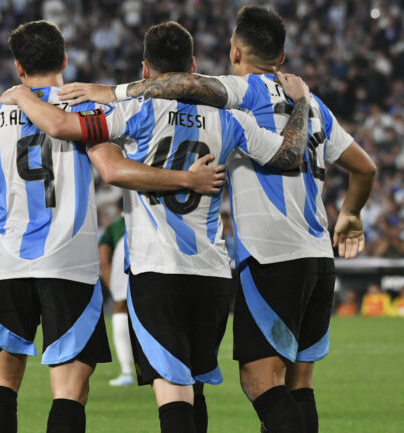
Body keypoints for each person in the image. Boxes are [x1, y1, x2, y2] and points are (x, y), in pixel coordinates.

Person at [58, 7, 378, 433]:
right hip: (315, 256)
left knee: (256, 382)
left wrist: (112, 92)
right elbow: (364, 168)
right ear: (282, 57)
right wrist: (351, 214)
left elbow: (182, 88)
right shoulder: (312, 105)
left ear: (236, 51)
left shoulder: (242, 93)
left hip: (267, 256)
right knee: (297, 384)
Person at [0, 21, 311, 433]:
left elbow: (66, 131)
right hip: (213, 275)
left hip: (156, 271)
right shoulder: (230, 120)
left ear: (144, 70)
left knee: (173, 392)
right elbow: (290, 155)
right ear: (194, 65)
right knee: (195, 387)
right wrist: (301, 103)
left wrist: (22, 95)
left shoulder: (133, 110)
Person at [0, 21, 223, 433]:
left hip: (11, 264)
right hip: (71, 266)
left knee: (1, 385)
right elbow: (111, 168)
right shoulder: (89, 109)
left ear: (18, 67)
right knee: (68, 392)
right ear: (65, 59)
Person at [98, 213, 133, 386]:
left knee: (120, 309)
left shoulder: (116, 226)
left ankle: (127, 372)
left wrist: (115, 289)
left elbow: (103, 261)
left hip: (127, 266)